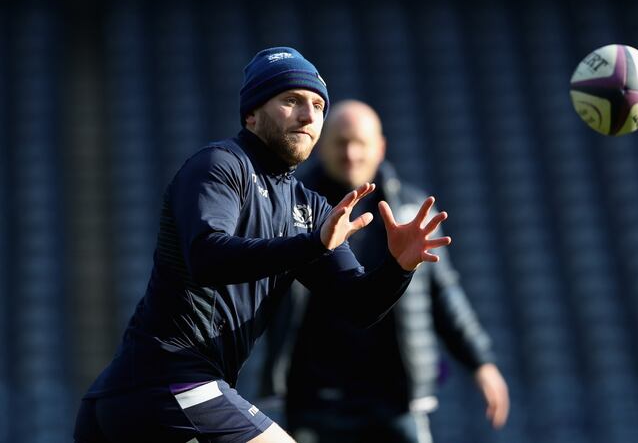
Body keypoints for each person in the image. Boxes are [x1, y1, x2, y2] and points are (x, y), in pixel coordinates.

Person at [73, 47, 452, 443]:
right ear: (252, 114)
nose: (308, 116)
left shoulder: (310, 206)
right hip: (164, 382)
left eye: (318, 105)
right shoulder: (219, 166)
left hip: (140, 400)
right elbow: (207, 257)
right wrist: (312, 245)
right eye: (291, 101)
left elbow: (358, 305)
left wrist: (398, 267)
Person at [261, 100, 509, 443]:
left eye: (359, 142)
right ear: (320, 145)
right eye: (340, 142)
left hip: (395, 404)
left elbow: (444, 295)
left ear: (380, 147)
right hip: (314, 403)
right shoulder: (288, 211)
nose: (350, 153)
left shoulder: (411, 210)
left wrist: (482, 363)